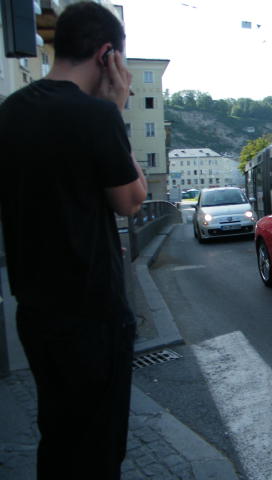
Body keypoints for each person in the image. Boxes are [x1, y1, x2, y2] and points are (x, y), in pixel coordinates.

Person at [0, 3, 147, 479]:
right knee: (98, 449)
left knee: (58, 437)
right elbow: (131, 200)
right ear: (108, 56)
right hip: (92, 314)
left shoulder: (9, 112)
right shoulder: (95, 116)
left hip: (35, 311)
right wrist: (117, 109)